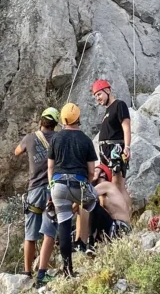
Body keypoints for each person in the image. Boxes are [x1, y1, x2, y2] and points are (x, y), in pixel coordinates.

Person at [47, 103, 98, 277]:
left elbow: (50, 167)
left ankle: (67, 269)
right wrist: (88, 184)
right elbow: (91, 171)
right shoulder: (85, 139)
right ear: (78, 118)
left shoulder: (55, 139)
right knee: (92, 203)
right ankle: (89, 242)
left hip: (58, 186)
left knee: (63, 223)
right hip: (79, 185)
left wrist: (51, 187)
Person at [13, 108, 60, 287]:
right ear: (55, 124)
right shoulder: (58, 138)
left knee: (30, 234)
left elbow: (17, 151)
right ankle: (43, 270)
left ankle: (26, 272)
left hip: (34, 190)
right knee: (49, 232)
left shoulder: (30, 138)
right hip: (53, 189)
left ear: (41, 121)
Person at [91, 79, 132, 212]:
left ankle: (125, 218)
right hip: (106, 153)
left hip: (116, 150)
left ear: (108, 90)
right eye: (96, 96)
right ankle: (119, 216)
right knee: (111, 184)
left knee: (118, 185)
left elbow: (126, 127)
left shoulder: (119, 105)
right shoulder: (108, 111)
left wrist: (127, 147)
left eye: (99, 94)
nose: (98, 98)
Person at [81, 164, 133, 253]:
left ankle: (90, 244)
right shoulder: (104, 195)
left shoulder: (106, 185)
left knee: (92, 204)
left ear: (102, 174)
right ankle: (91, 243)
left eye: (96, 171)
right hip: (118, 228)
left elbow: (85, 195)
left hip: (119, 227)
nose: (92, 172)